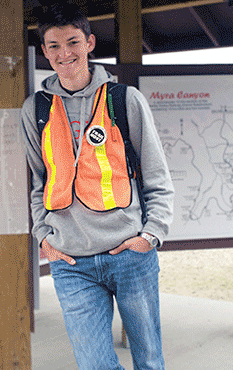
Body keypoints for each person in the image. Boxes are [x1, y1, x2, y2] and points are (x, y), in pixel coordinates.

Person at [21, 3, 174, 369]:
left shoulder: (124, 100)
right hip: (70, 260)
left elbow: (156, 175)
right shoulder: (36, 109)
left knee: (149, 360)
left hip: (129, 254)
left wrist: (150, 235)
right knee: (94, 364)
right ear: (44, 50)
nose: (64, 53)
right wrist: (44, 236)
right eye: (54, 46)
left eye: (72, 42)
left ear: (89, 43)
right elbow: (38, 182)